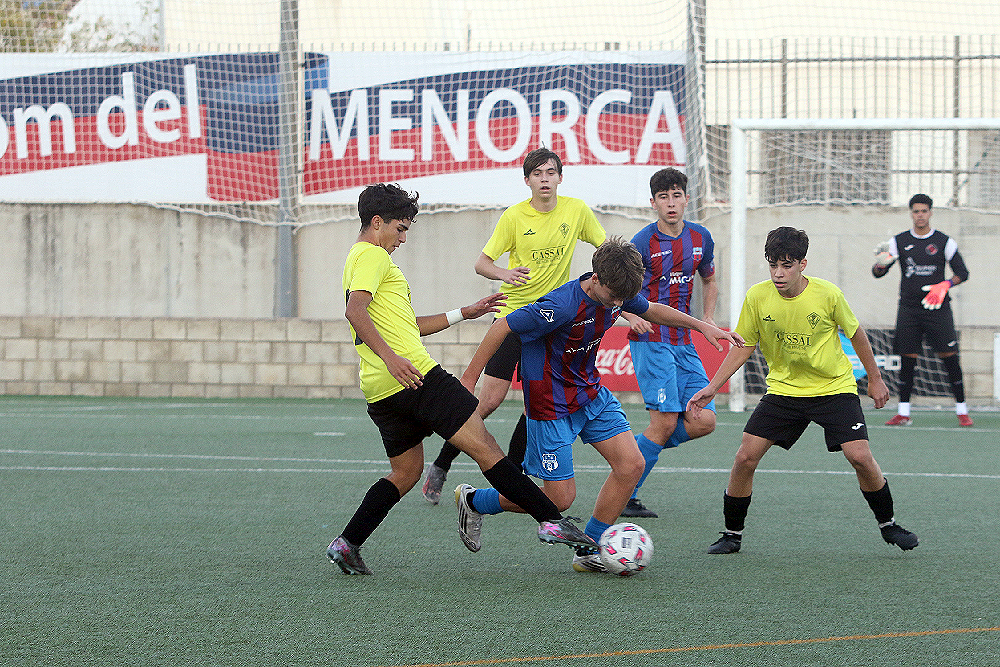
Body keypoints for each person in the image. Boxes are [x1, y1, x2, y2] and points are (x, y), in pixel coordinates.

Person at [327, 183, 598, 575]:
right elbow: (356, 313)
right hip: (415, 378)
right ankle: (550, 520)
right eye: (400, 228)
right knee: (486, 446)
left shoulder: (358, 259)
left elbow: (407, 326)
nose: (404, 238)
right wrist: (393, 359)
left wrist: (465, 312)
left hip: (381, 390)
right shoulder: (373, 256)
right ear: (376, 223)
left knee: (405, 473)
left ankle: (347, 542)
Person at [457, 237, 742, 572]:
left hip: (590, 394)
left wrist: (701, 325)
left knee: (631, 465)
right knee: (558, 500)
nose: (617, 305)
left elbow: (650, 308)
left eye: (622, 300)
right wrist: (468, 380)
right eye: (612, 298)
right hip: (550, 405)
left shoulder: (616, 291)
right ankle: (475, 500)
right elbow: (503, 326)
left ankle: (587, 549)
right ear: (595, 279)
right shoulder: (560, 306)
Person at [688, 227, 918, 555]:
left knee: (860, 457)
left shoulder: (828, 295)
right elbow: (744, 345)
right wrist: (713, 386)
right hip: (784, 391)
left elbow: (857, 335)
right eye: (773, 266)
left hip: (833, 388)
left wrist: (875, 378)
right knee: (745, 457)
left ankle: (889, 524)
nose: (779, 274)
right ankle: (731, 534)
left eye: (787, 265)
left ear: (803, 264)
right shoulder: (757, 296)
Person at [420, 147, 607, 504]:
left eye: (551, 173)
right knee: (488, 401)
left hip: (553, 321)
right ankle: (442, 464)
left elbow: (604, 250)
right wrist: (505, 273)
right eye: (537, 174)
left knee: (537, 402)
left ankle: (515, 476)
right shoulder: (514, 217)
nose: (545, 180)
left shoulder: (577, 210)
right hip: (513, 318)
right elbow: (481, 263)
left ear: (560, 178)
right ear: (527, 181)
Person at [618, 167, 720, 519]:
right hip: (652, 342)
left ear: (686, 199)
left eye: (677, 195)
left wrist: (707, 318)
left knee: (704, 418)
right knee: (661, 424)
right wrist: (631, 316)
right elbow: (619, 291)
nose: (671, 203)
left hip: (684, 341)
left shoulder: (701, 237)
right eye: (664, 197)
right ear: (654, 203)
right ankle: (627, 490)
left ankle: (631, 455)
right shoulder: (642, 243)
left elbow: (710, 279)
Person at [872, 193, 972, 427]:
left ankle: (962, 411)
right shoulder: (899, 241)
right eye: (916, 211)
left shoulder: (944, 242)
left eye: (924, 211)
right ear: (911, 213)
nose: (920, 215)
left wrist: (945, 284)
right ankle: (903, 412)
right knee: (908, 360)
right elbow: (877, 273)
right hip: (908, 309)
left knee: (950, 358)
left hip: (937, 308)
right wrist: (880, 264)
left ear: (930, 212)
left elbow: (963, 273)